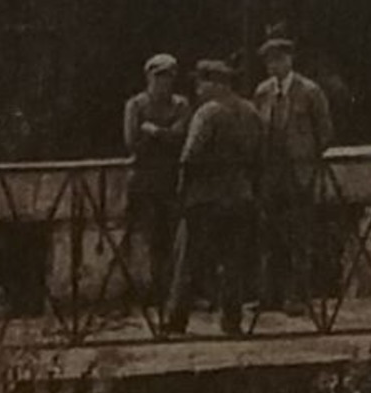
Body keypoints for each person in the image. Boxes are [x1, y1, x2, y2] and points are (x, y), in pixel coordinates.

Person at [163, 60, 264, 337]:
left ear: (217, 84)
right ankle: (231, 321)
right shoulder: (251, 111)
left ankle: (176, 318)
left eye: (202, 83)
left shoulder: (208, 112)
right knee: (233, 261)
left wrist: (182, 192)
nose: (198, 89)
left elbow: (190, 155)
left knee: (187, 258)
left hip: (204, 199)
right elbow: (259, 153)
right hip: (240, 196)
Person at [253, 34, 334, 316]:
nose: (273, 66)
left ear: (289, 60)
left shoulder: (310, 91)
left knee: (299, 237)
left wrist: (306, 160)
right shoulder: (262, 92)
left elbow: (324, 133)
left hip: (299, 174)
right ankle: (269, 296)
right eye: (268, 61)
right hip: (270, 174)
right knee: (270, 236)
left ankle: (297, 296)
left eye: (278, 59)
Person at [123, 54, 191, 307]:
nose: (164, 83)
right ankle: (153, 291)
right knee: (149, 237)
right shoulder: (136, 105)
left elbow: (182, 137)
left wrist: (155, 132)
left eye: (169, 77)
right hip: (144, 181)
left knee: (175, 237)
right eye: (159, 77)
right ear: (149, 77)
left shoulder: (181, 104)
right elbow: (132, 142)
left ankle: (174, 293)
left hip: (173, 180)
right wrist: (166, 136)